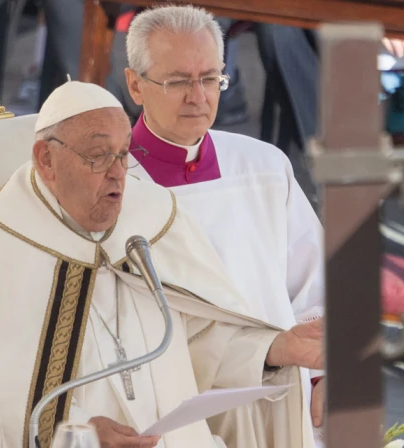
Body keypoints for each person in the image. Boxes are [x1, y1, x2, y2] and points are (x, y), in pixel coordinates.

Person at [0, 80, 323, 448]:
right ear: (46, 159)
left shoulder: (151, 217)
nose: (118, 175)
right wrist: (76, 432)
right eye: (98, 156)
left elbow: (199, 339)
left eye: (124, 154)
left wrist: (273, 349)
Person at [121, 5, 326, 444]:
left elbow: (314, 284)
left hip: (284, 398)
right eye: (177, 81)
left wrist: (323, 375)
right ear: (135, 84)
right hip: (173, 408)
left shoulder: (264, 166)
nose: (198, 96)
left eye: (211, 78)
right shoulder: (114, 190)